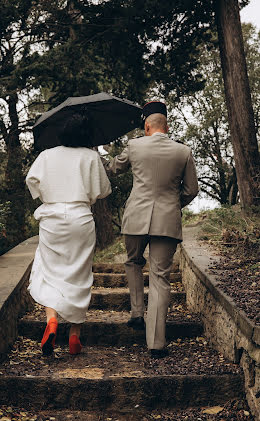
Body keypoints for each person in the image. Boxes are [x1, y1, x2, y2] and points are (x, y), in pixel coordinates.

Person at [104, 101, 199, 358]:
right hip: (166, 222)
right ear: (166, 125)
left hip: (136, 218)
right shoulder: (183, 151)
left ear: (146, 126)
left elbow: (112, 168)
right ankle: (156, 343)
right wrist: (172, 203)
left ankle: (136, 312)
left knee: (134, 262)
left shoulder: (134, 146)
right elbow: (191, 190)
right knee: (160, 277)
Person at [26, 113, 111, 356]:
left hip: (52, 219)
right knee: (80, 274)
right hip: (80, 218)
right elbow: (103, 191)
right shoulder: (91, 157)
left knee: (48, 270)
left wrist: (50, 194)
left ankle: (52, 320)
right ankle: (75, 334)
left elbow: (32, 181)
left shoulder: (46, 155)